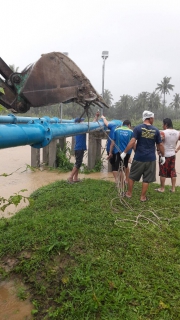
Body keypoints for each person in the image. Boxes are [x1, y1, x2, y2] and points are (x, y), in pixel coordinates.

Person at [121, 110, 165, 202]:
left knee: (132, 176)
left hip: (139, 157)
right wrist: (163, 156)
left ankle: (129, 193)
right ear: (150, 118)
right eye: (153, 118)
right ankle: (142, 197)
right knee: (147, 179)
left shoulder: (137, 128)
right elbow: (160, 145)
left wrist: (125, 152)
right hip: (151, 159)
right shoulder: (156, 130)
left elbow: (133, 141)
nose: (154, 120)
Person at [155, 118, 180, 193]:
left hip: (164, 155)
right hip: (172, 154)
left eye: (163, 124)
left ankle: (162, 188)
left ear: (166, 124)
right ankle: (173, 189)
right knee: (172, 171)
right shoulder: (177, 133)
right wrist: (177, 149)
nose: (162, 126)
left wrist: (158, 150)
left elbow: (159, 143)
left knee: (163, 171)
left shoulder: (163, 133)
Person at [107, 120, 133, 185]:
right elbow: (133, 143)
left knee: (119, 167)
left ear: (123, 124)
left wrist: (110, 152)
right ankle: (126, 181)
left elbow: (113, 143)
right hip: (127, 153)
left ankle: (121, 183)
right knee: (125, 166)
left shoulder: (117, 130)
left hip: (118, 152)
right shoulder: (131, 131)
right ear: (129, 125)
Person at [101, 115, 123, 180]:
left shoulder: (113, 126)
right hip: (120, 150)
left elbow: (106, 123)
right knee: (120, 165)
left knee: (114, 165)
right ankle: (122, 181)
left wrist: (103, 118)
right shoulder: (122, 129)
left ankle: (117, 181)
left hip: (111, 149)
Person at [67, 117, 86, 183]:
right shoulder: (82, 129)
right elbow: (90, 126)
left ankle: (75, 178)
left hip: (78, 148)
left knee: (78, 163)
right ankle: (70, 177)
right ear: (79, 122)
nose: (83, 122)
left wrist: (96, 117)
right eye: (82, 121)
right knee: (78, 163)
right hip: (79, 148)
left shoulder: (77, 129)